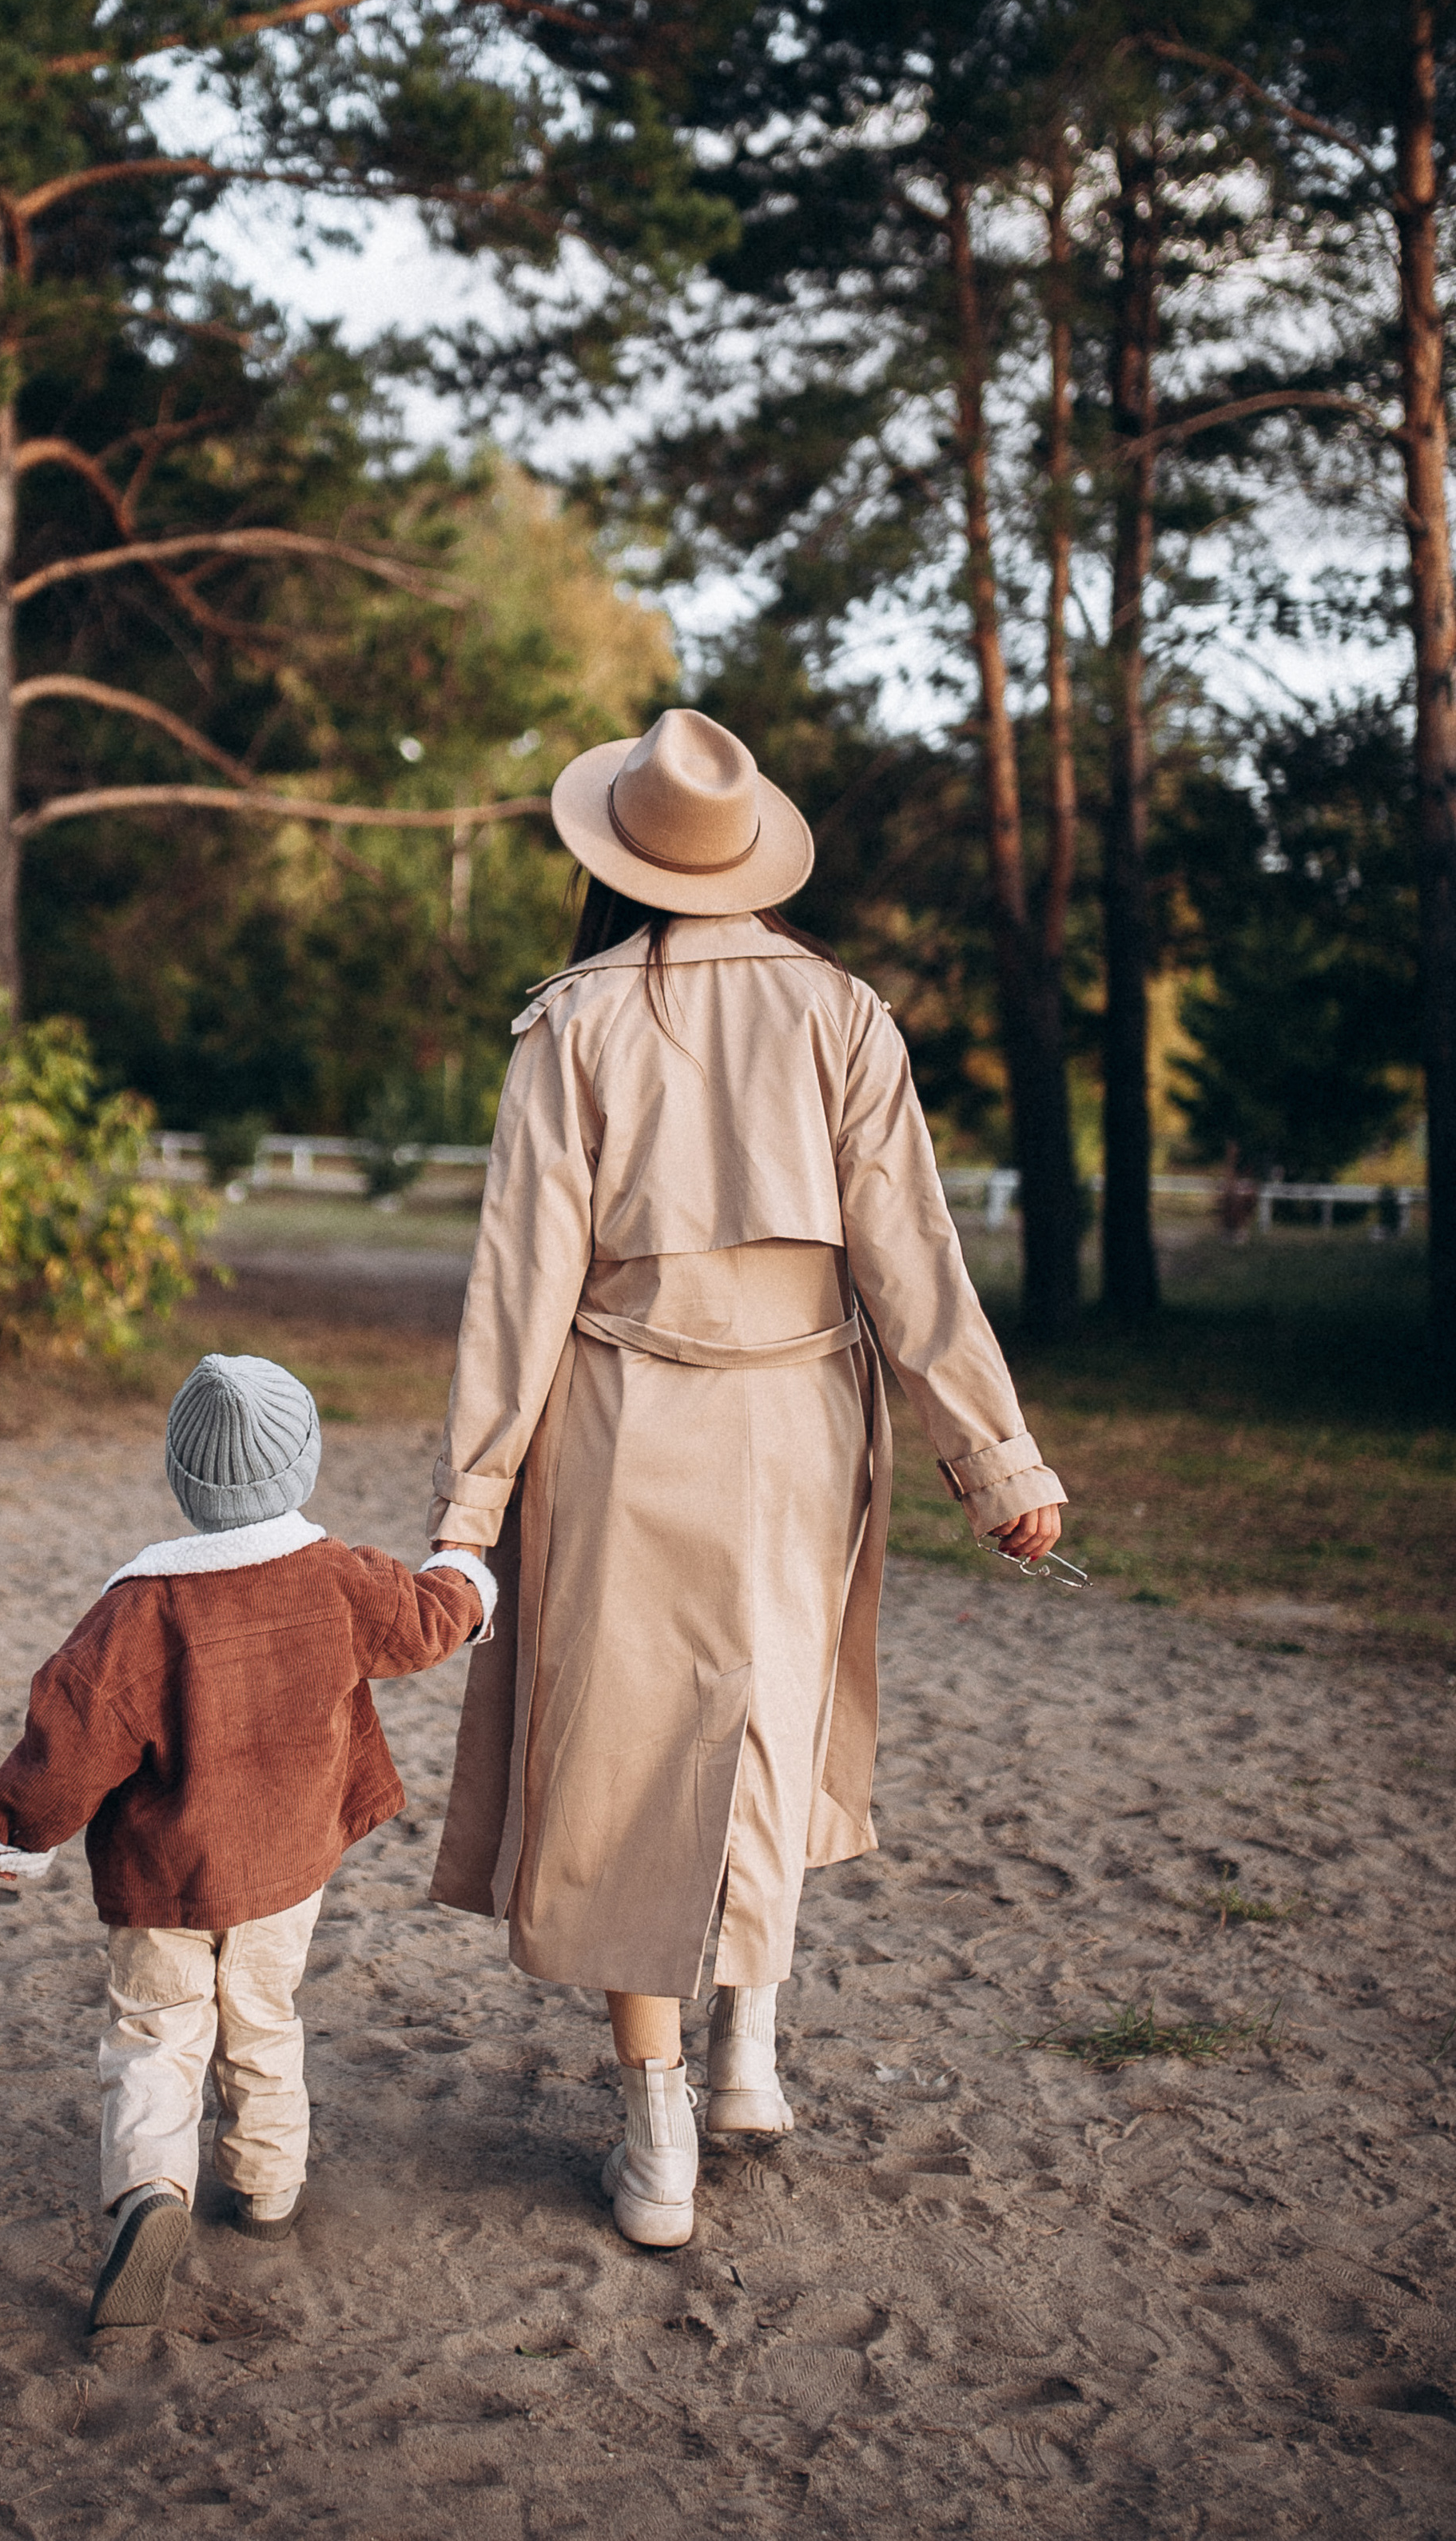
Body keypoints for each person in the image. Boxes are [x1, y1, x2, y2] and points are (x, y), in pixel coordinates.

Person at [425, 708, 1066, 2249]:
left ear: (619, 854)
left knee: (623, 1755)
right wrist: (998, 1457)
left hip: (621, 1416)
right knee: (770, 1720)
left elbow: (516, 1290)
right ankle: (750, 2051)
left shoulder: (573, 1022)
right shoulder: (846, 1013)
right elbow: (916, 1259)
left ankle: (656, 2128)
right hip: (804, 1426)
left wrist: (468, 1514)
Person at [0, 1352, 496, 2332]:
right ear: (303, 1466)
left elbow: (70, 1734)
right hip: (285, 1868)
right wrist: (464, 1572)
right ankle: (266, 2192)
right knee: (262, 2019)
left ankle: (149, 2193)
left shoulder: (138, 1608)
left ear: (182, 1477)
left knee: (154, 2032)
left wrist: (15, 1832)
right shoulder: (338, 1578)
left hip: (161, 1883)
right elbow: (429, 1623)